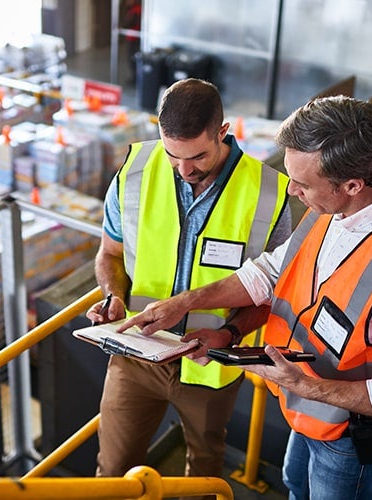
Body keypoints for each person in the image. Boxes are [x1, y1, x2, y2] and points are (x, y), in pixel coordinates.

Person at [120, 96, 372, 499]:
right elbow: (269, 272)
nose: (292, 189)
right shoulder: (336, 205)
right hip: (311, 413)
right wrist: (191, 306)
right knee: (296, 486)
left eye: (302, 183)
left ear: (352, 185)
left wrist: (304, 384)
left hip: (354, 440)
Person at [86, 77, 292, 490]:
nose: (184, 170)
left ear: (223, 132)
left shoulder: (269, 193)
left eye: (197, 156)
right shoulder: (135, 172)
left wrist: (231, 332)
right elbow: (109, 254)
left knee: (203, 477)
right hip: (135, 355)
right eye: (172, 155)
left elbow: (276, 290)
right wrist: (113, 296)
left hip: (210, 368)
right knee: (112, 475)